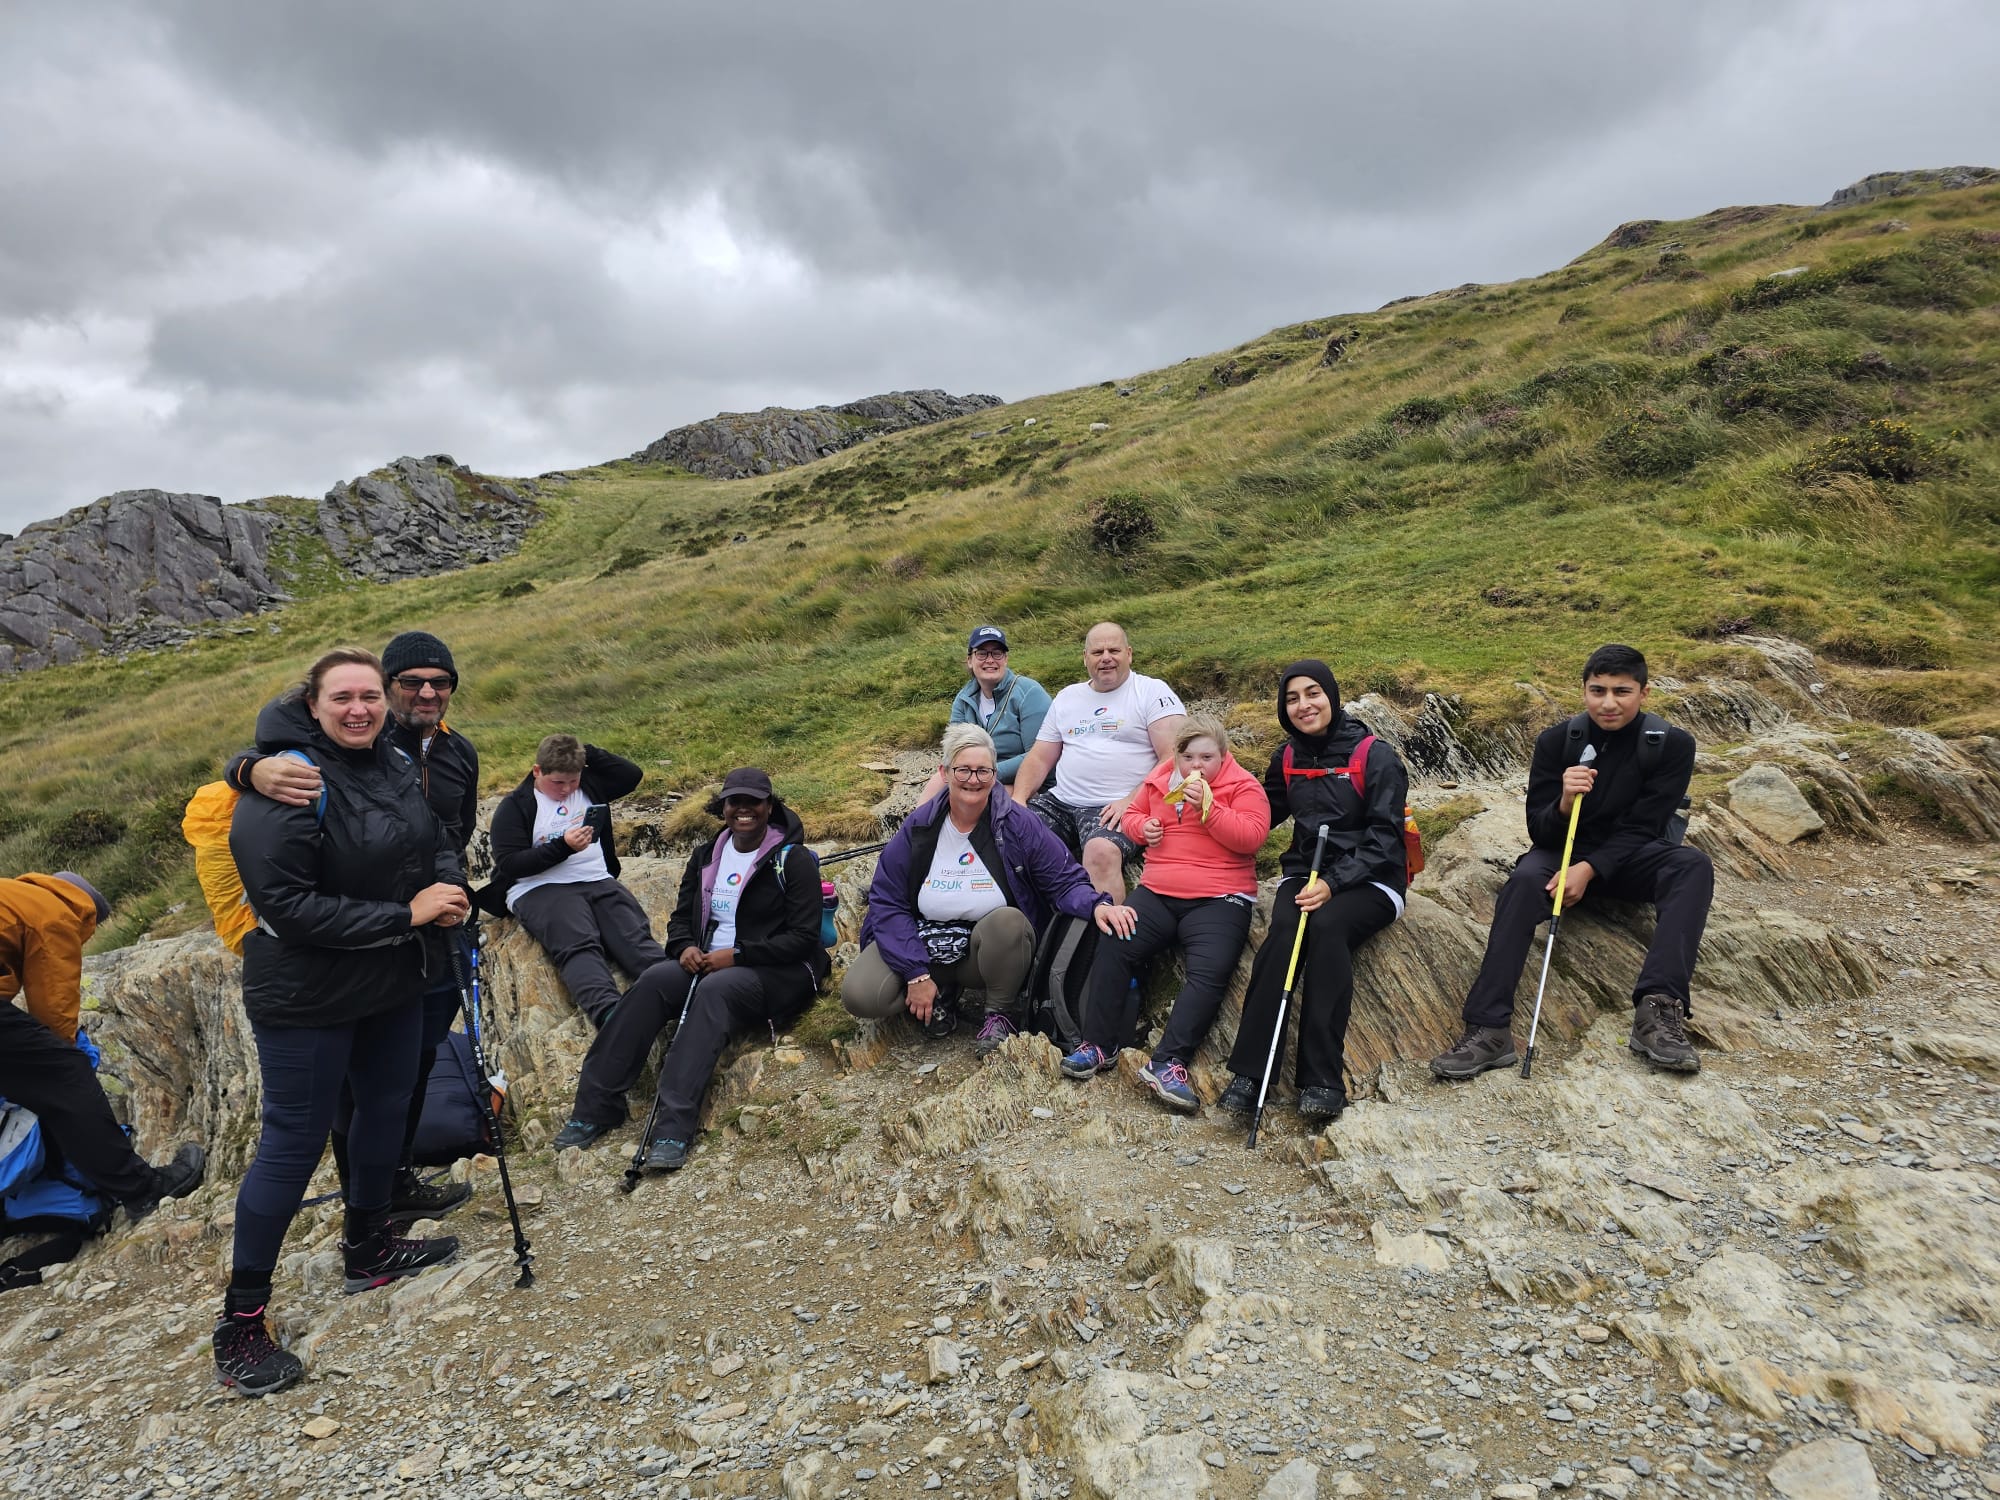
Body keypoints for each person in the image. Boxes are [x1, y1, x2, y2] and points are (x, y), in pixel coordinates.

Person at [215, 648, 470, 1398]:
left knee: (386, 1110)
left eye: (368, 697)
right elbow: (285, 908)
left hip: (389, 977)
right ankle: (241, 1322)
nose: (358, 709)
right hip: (307, 993)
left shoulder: (391, 757)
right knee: (292, 1145)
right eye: (343, 698)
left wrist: (448, 883)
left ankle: (369, 1249)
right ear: (314, 704)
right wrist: (406, 913)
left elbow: (434, 836)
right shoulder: (286, 780)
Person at [227, 629, 479, 1221]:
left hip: (433, 933)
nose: (426, 693)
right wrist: (248, 769)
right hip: (362, 940)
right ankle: (368, 1197)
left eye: (439, 683)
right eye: (411, 683)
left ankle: (394, 1178)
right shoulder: (362, 732)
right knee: (355, 1085)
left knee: (413, 1063)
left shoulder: (458, 752)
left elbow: (452, 834)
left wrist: (455, 887)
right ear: (389, 688)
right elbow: (277, 729)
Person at [1431, 644, 1712, 1080]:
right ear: (1583, 690)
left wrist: (1589, 869)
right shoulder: (1558, 742)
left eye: (1622, 691)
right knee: (1524, 880)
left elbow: (1645, 827)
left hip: (1631, 856)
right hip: (1561, 852)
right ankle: (1489, 1029)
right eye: (1597, 690)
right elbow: (1539, 832)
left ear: (1644, 692)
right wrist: (1562, 802)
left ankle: (1657, 1012)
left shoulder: (1671, 745)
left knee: (1692, 866)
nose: (1608, 702)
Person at [550, 769, 828, 1173]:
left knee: (716, 992)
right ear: (723, 808)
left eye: (754, 801)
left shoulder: (793, 858)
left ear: (770, 807)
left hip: (775, 971)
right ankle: (596, 1107)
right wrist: (684, 949)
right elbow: (681, 920)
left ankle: (673, 1127)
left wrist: (736, 955)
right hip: (710, 962)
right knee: (653, 982)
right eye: (735, 802)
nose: (744, 810)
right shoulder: (705, 855)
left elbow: (803, 937)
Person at [844, 725, 1137, 1051]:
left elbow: (1063, 878)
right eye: (963, 770)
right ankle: (938, 995)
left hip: (986, 954)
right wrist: (915, 974)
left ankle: (999, 1011)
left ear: (995, 774)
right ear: (944, 772)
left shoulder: (1018, 823)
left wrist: (1097, 904)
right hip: (923, 943)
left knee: (1009, 922)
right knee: (861, 994)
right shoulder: (920, 827)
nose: (973, 779)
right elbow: (887, 900)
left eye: (983, 770)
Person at [1217, 662, 1409, 1124]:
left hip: (1373, 879)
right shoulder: (1287, 757)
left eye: (1313, 693)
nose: (1304, 706)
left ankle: (1322, 1079)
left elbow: (1386, 838)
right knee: (1283, 934)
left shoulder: (1375, 755)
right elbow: (1261, 814)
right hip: (1305, 873)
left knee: (1325, 928)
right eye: (1292, 698)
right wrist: (1209, 808)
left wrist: (1334, 883)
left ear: (1333, 696)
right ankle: (1250, 1074)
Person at [1058, 716, 1271, 1111]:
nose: (1196, 766)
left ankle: (1169, 1062)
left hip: (1221, 895)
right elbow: (1133, 816)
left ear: (1223, 756)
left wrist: (1209, 809)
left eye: (1206, 757)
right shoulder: (1161, 777)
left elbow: (1252, 837)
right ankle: (1098, 1045)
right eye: (1187, 757)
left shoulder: (1242, 786)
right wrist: (1144, 830)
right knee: (1116, 940)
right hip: (1158, 890)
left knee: (1209, 973)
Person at [0, 872, 206, 1220]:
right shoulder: (55, 914)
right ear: (88, 915)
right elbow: (54, 1009)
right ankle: (143, 1190)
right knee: (65, 1076)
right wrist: (67, 1054)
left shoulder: (16, 896)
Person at [482, 734, 666, 1026]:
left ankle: (679, 996)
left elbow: (631, 775)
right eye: (558, 783)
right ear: (537, 771)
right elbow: (511, 864)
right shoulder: (516, 806)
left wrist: (581, 750)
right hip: (538, 887)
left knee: (634, 939)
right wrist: (563, 847)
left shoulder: (591, 785)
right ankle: (611, 1015)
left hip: (595, 878)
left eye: (573, 781)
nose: (566, 789)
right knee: (578, 943)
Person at [1010, 622, 1186, 900]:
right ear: (1085, 658)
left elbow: (1175, 755)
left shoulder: (1153, 692)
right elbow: (1040, 757)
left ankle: (1103, 937)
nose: (1106, 657)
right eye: (1097, 651)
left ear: (1129, 654)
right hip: (1062, 801)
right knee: (1010, 837)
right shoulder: (1068, 697)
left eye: (1114, 650)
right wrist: (1018, 801)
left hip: (1119, 805)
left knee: (1100, 851)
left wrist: (1133, 800)